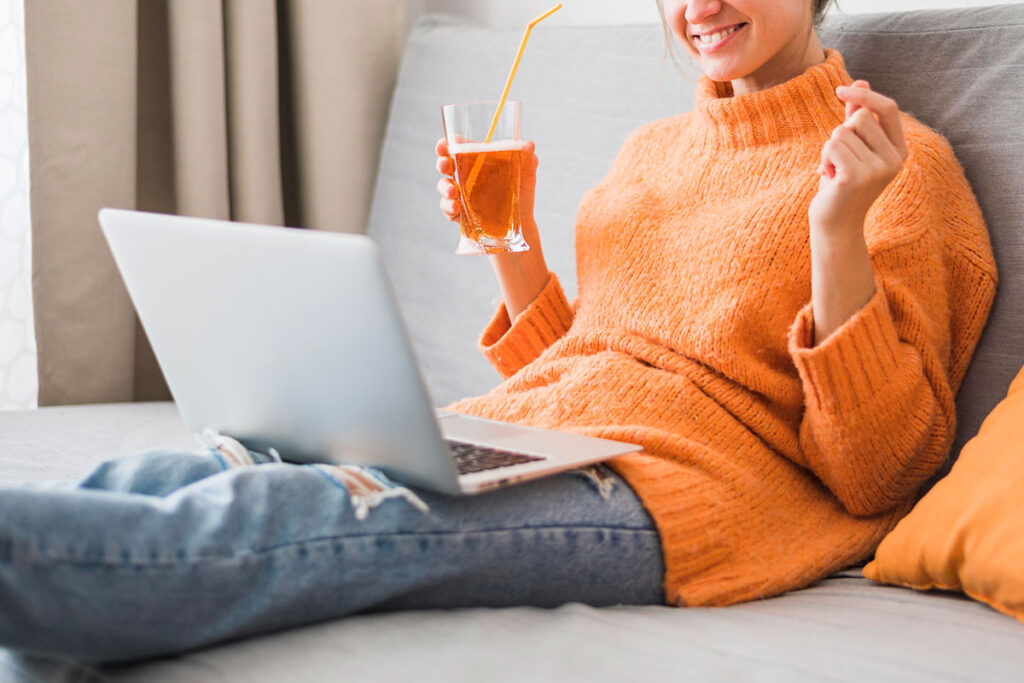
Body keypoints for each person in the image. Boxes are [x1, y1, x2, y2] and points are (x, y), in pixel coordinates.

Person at [0, 0, 998, 665]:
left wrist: (835, 236)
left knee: (314, 517)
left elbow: (878, 474)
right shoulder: (648, 152)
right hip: (540, 433)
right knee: (202, 465)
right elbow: (594, 363)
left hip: (693, 491)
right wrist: (515, 245)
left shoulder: (901, 169)